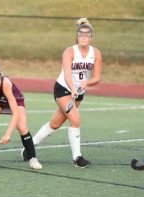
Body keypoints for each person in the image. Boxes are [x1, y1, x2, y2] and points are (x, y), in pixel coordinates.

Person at [30, 18, 101, 168]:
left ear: (91, 37)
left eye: (87, 34)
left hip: (79, 92)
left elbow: (97, 78)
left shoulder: (96, 53)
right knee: (75, 120)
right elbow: (67, 74)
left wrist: (86, 83)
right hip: (63, 89)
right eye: (80, 34)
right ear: (76, 35)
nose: (83, 36)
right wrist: (73, 88)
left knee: (54, 124)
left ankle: (28, 147)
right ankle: (77, 158)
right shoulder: (69, 52)